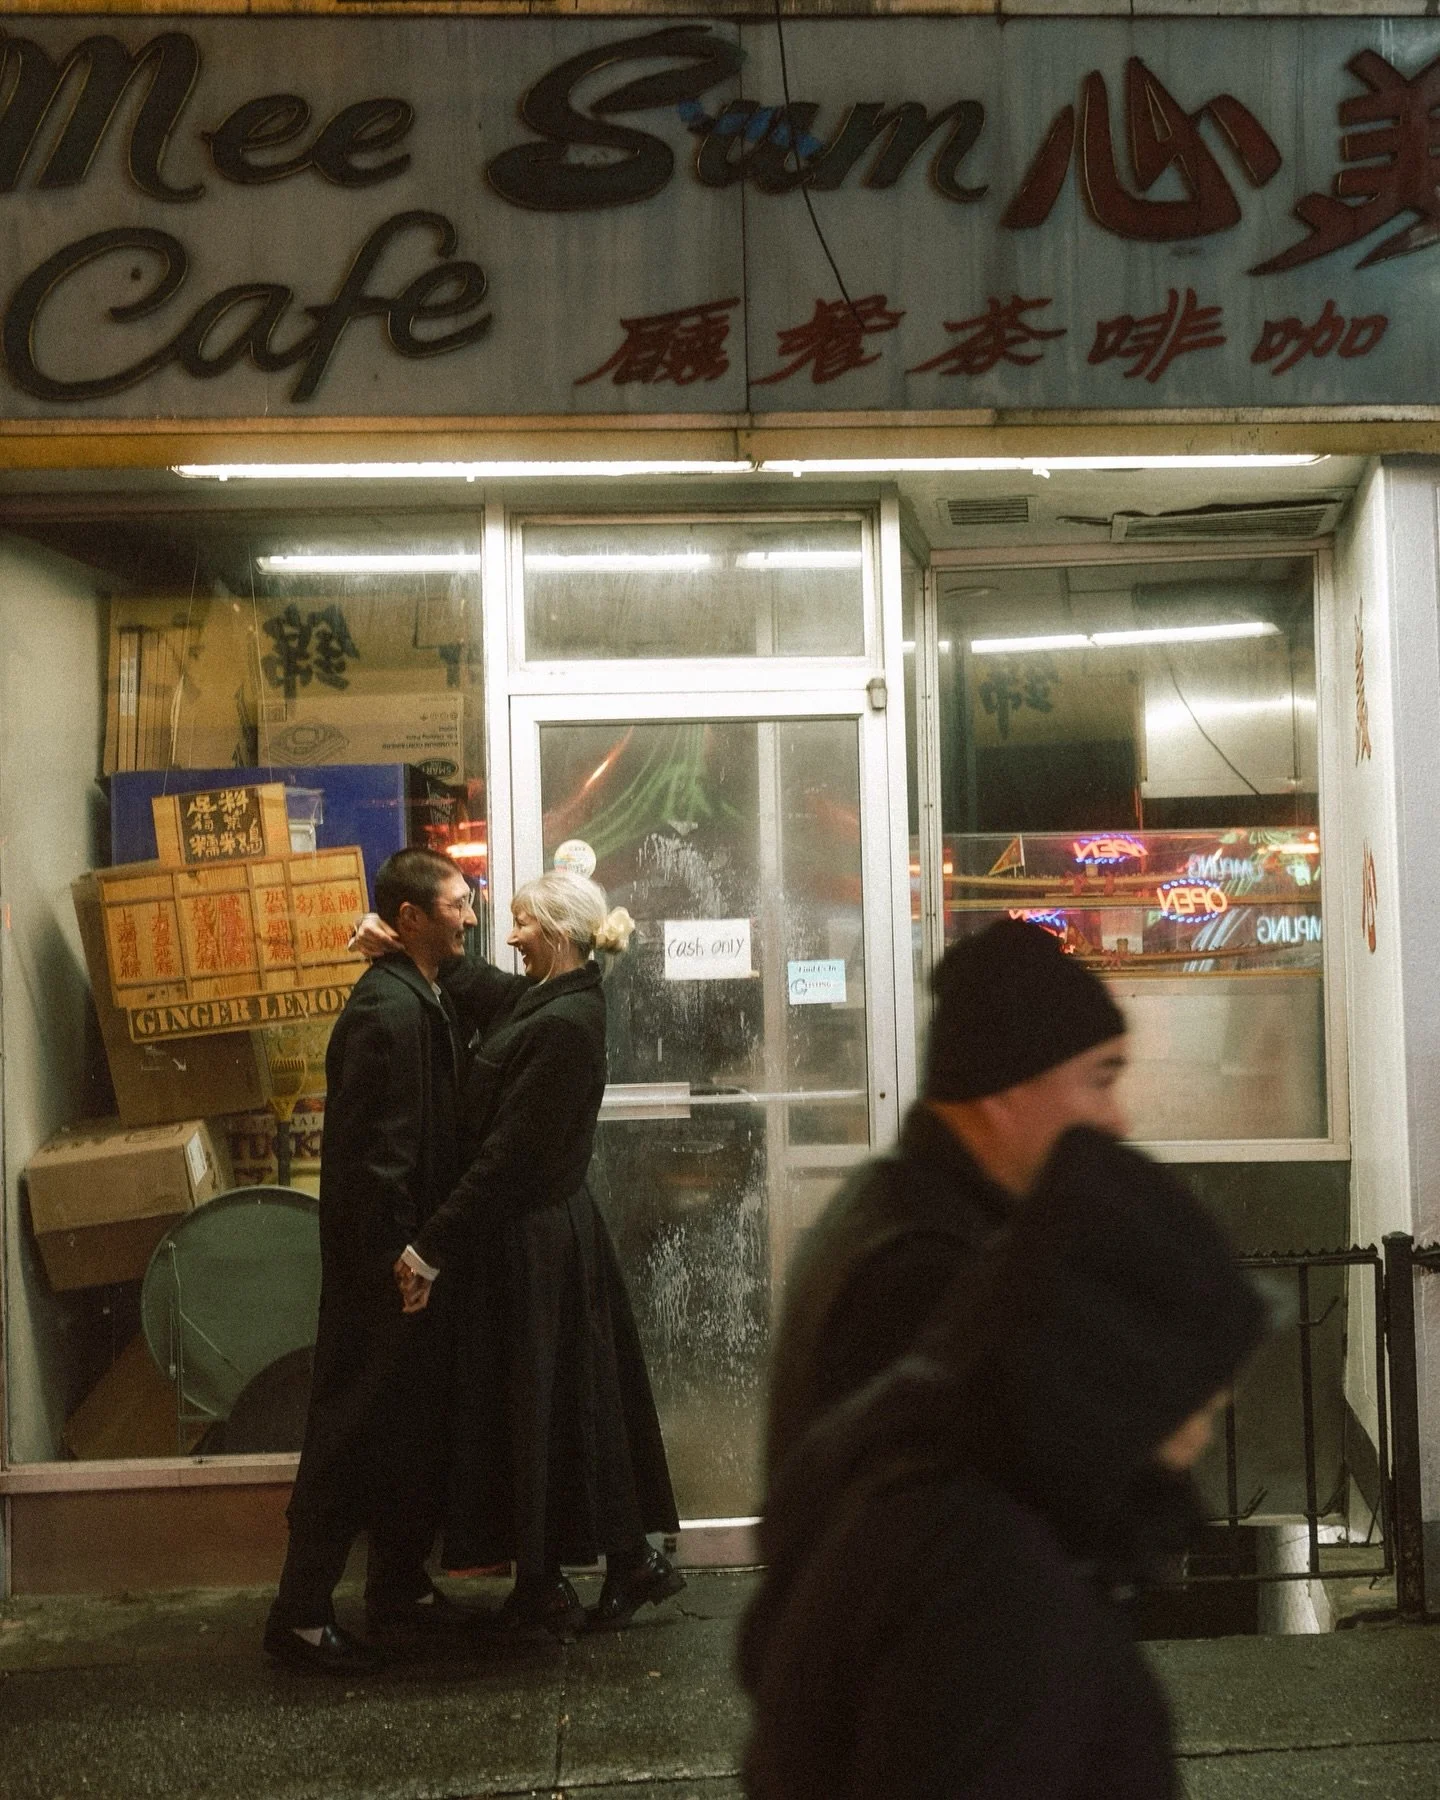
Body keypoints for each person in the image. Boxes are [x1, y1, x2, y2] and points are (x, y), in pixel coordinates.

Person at [739, 1128, 1268, 1800]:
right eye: (1196, 1356)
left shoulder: (978, 1495)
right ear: (1120, 1358)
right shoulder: (995, 1592)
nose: (1223, 1391)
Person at [366, 868, 683, 1638]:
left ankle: (563, 1578)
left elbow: (506, 1157)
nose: (507, 938)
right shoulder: (551, 999)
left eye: (522, 927)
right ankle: (602, 1568)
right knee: (559, 1405)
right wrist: (401, 952)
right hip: (540, 1238)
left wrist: (429, 1247)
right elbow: (477, 985)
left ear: (563, 934)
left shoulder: (567, 1024)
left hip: (536, 1241)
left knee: (542, 1405)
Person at [765, 916, 1128, 1483]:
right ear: (1010, 1089)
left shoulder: (910, 1208)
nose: (1117, 1120)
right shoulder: (926, 1271)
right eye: (1100, 1081)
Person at [264, 848, 475, 1674]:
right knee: (351, 1435)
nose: (469, 914)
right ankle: (300, 1617)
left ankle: (398, 1587)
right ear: (413, 916)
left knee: (404, 1433)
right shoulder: (387, 1012)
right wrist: (401, 1261)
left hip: (401, 1262)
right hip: (381, 1272)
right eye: (456, 904)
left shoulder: (415, 990)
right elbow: (376, 1158)